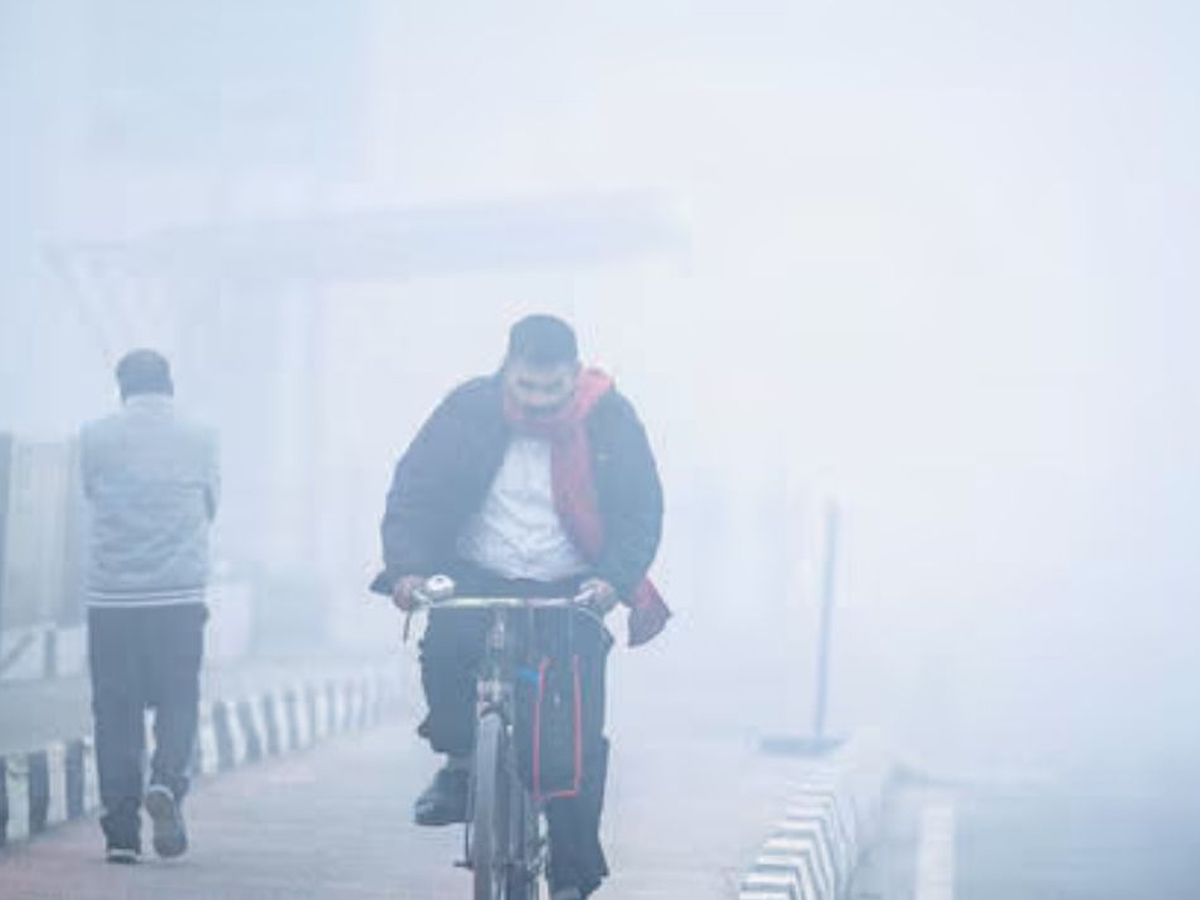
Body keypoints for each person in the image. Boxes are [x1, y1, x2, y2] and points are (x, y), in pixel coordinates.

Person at [371, 314, 669, 899]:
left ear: (574, 378)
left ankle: (571, 875)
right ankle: (461, 766)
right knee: (446, 654)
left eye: (551, 391)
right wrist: (408, 569)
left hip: (571, 588)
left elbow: (641, 511)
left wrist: (613, 580)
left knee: (571, 742)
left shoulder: (610, 418)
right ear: (506, 371)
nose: (536, 402)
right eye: (525, 388)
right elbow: (415, 490)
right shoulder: (466, 411)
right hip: (476, 574)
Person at [79, 349, 219, 863]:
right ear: (169, 385)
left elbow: (92, 493)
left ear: (122, 388)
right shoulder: (201, 437)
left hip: (111, 598)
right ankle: (166, 784)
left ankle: (120, 833)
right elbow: (211, 506)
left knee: (115, 711)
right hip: (178, 597)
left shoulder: (94, 436)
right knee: (178, 700)